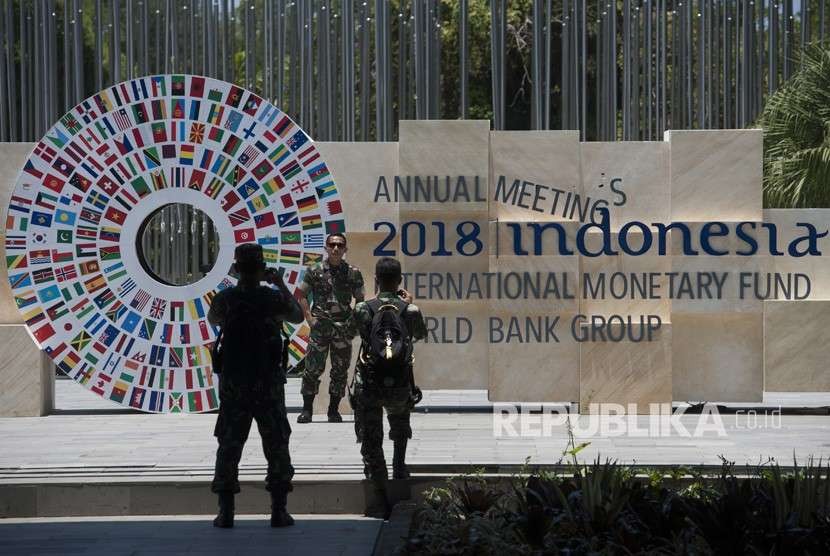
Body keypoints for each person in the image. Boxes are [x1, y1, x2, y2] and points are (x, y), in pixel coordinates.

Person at [208, 243, 304, 528]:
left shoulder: (227, 298)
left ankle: (226, 512)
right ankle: (279, 510)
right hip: (267, 384)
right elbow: (298, 316)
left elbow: (213, 319)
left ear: (237, 269)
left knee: (229, 445)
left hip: (235, 384)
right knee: (276, 444)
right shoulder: (273, 298)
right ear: (262, 269)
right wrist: (279, 284)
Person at [350, 257, 426, 518]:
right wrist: (408, 302)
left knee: (372, 438)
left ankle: (380, 496)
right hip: (400, 383)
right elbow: (420, 335)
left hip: (370, 383)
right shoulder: (410, 309)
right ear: (400, 280)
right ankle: (399, 468)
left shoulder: (364, 308)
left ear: (376, 279)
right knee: (400, 425)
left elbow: (357, 332)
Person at [296, 233, 365, 423]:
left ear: (345, 249)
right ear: (326, 248)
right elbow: (301, 294)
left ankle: (333, 410)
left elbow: (360, 300)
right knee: (312, 369)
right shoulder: (315, 270)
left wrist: (353, 324)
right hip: (320, 327)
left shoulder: (353, 272)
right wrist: (310, 320)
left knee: (340, 370)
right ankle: (307, 409)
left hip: (342, 329)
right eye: (332, 245)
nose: (335, 248)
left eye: (339, 245)